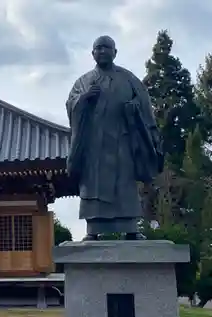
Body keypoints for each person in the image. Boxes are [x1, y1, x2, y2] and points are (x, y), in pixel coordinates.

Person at [66, 35, 163, 241]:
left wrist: (133, 109)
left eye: (106, 48)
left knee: (124, 184)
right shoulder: (83, 82)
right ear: (92, 54)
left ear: (115, 52)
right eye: (98, 48)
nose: (102, 51)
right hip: (94, 145)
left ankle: (131, 228)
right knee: (94, 185)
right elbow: (71, 106)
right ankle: (93, 229)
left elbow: (144, 105)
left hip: (123, 141)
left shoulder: (129, 80)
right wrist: (84, 99)